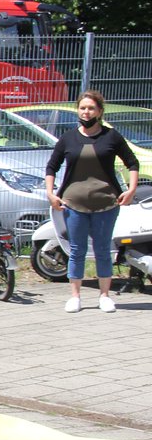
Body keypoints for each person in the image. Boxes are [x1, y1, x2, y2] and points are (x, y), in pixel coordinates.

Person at [45, 90, 140, 313]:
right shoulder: (68, 138)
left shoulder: (112, 137)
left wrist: (132, 190)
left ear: (100, 111)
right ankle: (75, 296)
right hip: (73, 204)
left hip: (106, 203)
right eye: (82, 108)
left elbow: (132, 163)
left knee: (102, 249)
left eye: (91, 108)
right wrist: (51, 193)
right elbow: (52, 167)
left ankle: (105, 296)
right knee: (76, 250)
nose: (86, 112)